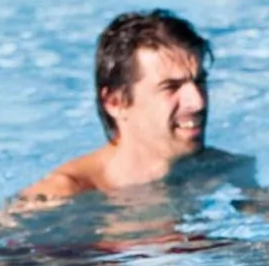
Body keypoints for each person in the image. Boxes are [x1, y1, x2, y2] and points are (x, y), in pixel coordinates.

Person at [17, 10, 217, 203]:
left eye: (199, 82)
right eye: (171, 87)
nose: (198, 102)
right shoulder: (62, 196)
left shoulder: (221, 171)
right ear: (115, 102)